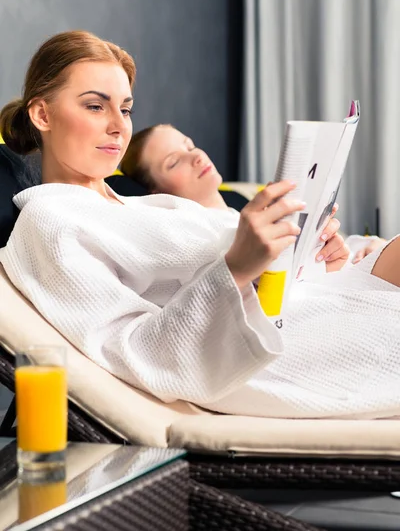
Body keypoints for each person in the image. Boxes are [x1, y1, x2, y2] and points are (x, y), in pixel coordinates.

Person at [1, 30, 400, 420]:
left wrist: (310, 253)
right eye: (95, 106)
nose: (119, 126)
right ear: (42, 114)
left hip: (303, 305)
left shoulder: (147, 207)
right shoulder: (49, 221)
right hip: (256, 353)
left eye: (125, 108)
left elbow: (259, 276)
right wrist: (238, 267)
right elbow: (141, 353)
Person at [121, 123, 385, 267]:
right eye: (174, 161)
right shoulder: (189, 231)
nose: (197, 156)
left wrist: (345, 253)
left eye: (190, 145)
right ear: (154, 192)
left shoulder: (243, 206)